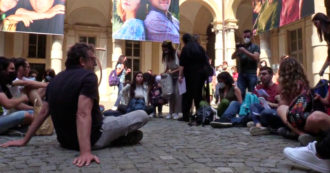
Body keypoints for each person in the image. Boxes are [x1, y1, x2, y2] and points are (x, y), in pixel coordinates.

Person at [0, 43, 149, 167]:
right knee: (141, 114)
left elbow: (43, 112)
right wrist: (85, 152)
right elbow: (82, 114)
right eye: (92, 59)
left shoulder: (56, 79)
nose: (95, 63)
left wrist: (25, 139)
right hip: (94, 137)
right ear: (81, 61)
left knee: (109, 116)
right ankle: (116, 137)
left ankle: (118, 135)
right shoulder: (89, 77)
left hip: (65, 142)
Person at [179, 33, 208, 122]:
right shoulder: (200, 48)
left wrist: (180, 75)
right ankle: (199, 116)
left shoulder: (185, 48)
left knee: (187, 96)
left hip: (189, 75)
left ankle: (186, 116)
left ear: (184, 40)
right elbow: (205, 61)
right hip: (200, 75)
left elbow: (182, 65)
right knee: (198, 95)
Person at [0, 57, 33, 134]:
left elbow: (13, 102)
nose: (14, 72)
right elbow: (8, 104)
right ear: (3, 70)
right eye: (11, 69)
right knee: (25, 115)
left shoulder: (4, 84)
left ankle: (11, 129)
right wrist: (22, 98)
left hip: (3, 118)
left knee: (33, 113)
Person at [248, 66, 283, 136]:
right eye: (260, 74)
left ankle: (257, 122)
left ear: (271, 75)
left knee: (265, 112)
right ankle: (259, 126)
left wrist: (271, 104)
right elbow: (254, 102)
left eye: (264, 74)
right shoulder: (258, 88)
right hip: (259, 111)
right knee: (253, 106)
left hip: (272, 112)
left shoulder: (277, 88)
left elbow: (283, 106)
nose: (261, 76)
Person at [232, 29, 260, 98]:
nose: (246, 38)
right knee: (240, 92)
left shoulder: (255, 47)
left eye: (247, 37)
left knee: (252, 93)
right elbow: (232, 57)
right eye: (244, 37)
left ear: (251, 37)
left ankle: (251, 107)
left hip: (251, 73)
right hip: (242, 73)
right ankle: (242, 106)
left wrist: (244, 51)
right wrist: (237, 50)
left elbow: (256, 57)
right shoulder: (242, 47)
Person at [162, 40, 181, 120]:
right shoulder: (166, 55)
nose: (164, 51)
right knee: (170, 94)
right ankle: (170, 112)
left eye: (165, 49)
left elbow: (181, 66)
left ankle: (176, 112)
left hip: (178, 76)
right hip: (170, 77)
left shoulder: (177, 53)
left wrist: (172, 72)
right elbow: (167, 66)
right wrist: (164, 73)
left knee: (177, 94)